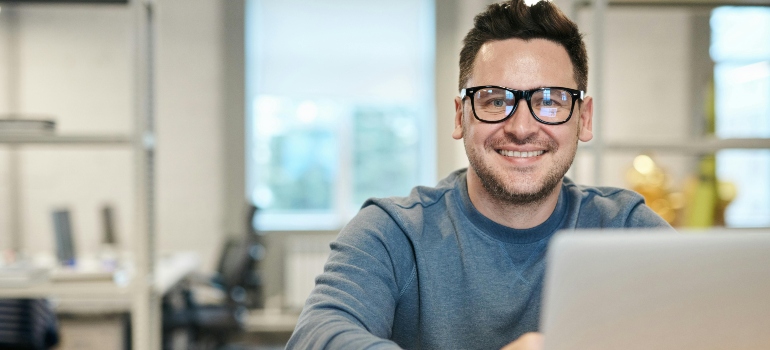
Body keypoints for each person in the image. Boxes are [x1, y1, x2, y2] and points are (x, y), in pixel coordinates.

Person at [286, 0, 671, 349]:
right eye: (495, 100)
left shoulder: (625, 229)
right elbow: (318, 336)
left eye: (550, 101)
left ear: (583, 119)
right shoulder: (394, 233)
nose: (522, 128)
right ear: (460, 116)